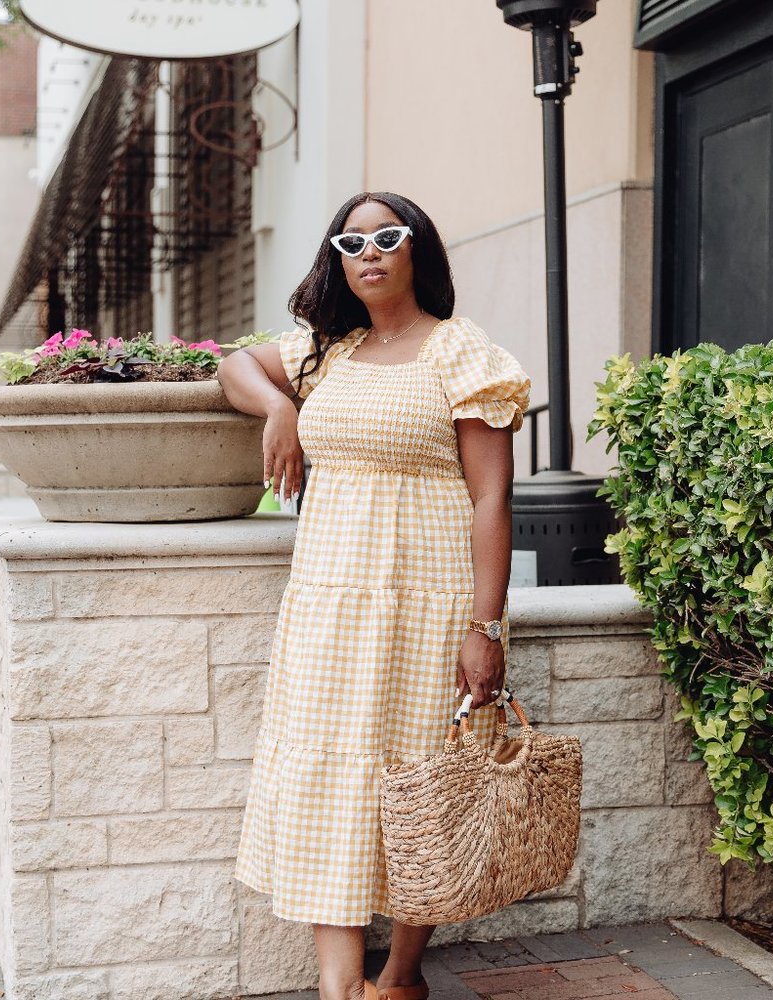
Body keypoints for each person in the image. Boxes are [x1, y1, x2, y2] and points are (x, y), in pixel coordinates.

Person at [218, 191, 531, 1000]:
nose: (369, 253)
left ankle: (398, 975)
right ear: (336, 259)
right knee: (331, 780)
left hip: (428, 599)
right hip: (328, 602)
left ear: (418, 248)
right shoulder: (328, 352)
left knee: (419, 778)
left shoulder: (460, 351)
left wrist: (485, 626)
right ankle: (338, 989)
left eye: (387, 237)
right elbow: (234, 362)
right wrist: (280, 407)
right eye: (350, 242)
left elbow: (493, 498)